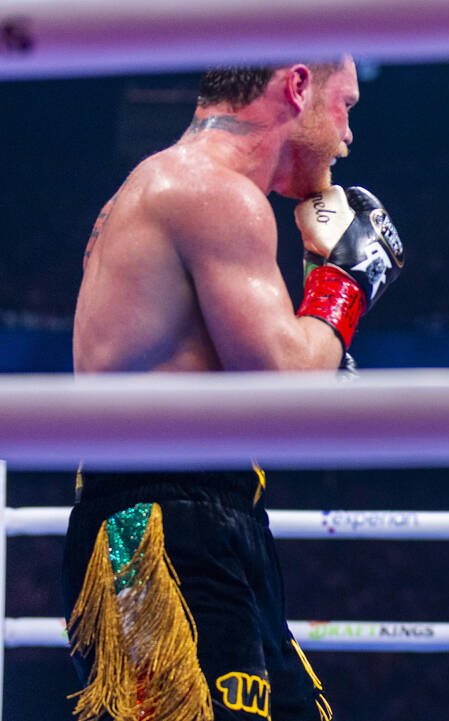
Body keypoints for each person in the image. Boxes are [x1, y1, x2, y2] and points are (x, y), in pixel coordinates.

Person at [65, 56, 403, 721]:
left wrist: (319, 287)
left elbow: (295, 399)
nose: (348, 137)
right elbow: (284, 388)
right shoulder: (210, 193)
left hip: (209, 517)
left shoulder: (180, 189)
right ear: (299, 85)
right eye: (347, 106)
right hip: (160, 529)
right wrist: (347, 282)